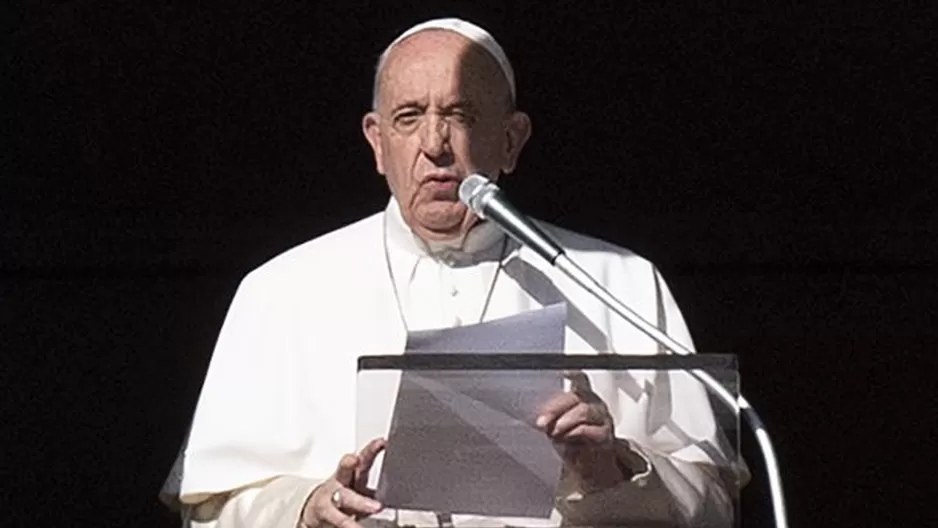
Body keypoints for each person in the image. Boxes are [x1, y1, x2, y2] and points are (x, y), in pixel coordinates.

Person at [160, 17, 748, 528]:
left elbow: (715, 502)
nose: (436, 145)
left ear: (512, 140)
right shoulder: (281, 292)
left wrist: (611, 469)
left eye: (461, 115)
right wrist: (307, 506)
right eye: (409, 117)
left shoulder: (617, 282)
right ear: (376, 142)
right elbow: (211, 508)